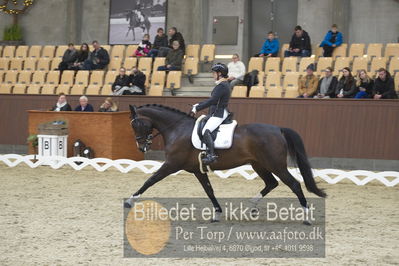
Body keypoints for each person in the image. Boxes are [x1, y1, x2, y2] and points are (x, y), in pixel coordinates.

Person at [190, 63, 231, 165]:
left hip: (218, 113)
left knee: (206, 131)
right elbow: (212, 100)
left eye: (214, 73)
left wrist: (197, 108)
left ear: (220, 74)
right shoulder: (223, 84)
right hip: (220, 111)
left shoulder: (222, 86)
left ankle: (212, 155)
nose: (213, 75)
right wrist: (198, 104)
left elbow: (212, 101)